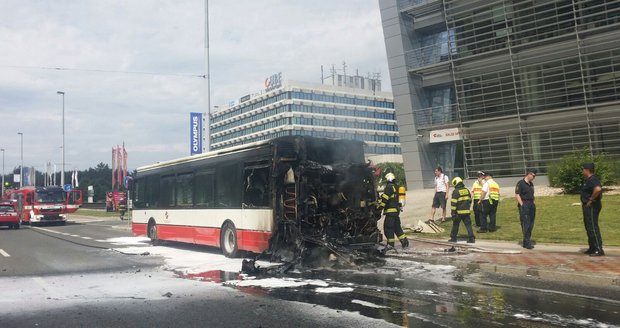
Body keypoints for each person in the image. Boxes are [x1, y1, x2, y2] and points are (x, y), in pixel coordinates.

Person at [378, 172, 409, 249]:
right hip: (396, 211)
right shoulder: (396, 186)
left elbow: (385, 199)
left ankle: (390, 245)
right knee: (397, 228)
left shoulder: (388, 187)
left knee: (388, 229)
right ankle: (404, 242)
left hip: (390, 212)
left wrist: (379, 208)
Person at [581, 163, 604, 256]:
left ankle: (598, 249)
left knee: (592, 227)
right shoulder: (588, 180)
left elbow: (598, 189)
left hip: (592, 206)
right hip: (587, 206)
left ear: (587, 170)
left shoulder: (593, 179)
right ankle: (592, 247)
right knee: (589, 227)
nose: (582, 171)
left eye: (583, 169)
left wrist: (590, 200)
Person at [449, 177, 475, 243]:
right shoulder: (466, 190)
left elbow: (453, 203)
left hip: (458, 212)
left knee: (455, 225)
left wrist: (453, 213)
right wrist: (467, 208)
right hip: (466, 211)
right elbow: (470, 200)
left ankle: (453, 238)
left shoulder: (455, 191)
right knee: (468, 225)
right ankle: (471, 238)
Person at [515, 169, 536, 249]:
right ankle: (527, 242)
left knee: (531, 223)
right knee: (526, 224)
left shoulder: (531, 184)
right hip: (524, 204)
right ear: (529, 174)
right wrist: (522, 205)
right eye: (533, 175)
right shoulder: (520, 183)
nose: (534, 177)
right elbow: (517, 195)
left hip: (531, 204)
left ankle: (526, 241)